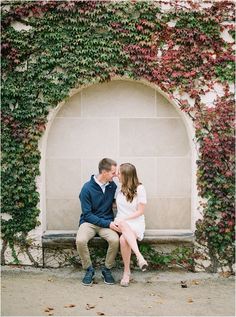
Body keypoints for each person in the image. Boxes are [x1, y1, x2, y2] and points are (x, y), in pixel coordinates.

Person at [76, 158, 120, 286]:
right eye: (113, 173)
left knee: (115, 240)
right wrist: (109, 224)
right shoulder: (87, 188)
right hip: (89, 223)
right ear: (104, 172)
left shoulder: (113, 186)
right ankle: (89, 269)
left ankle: (107, 269)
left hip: (106, 223)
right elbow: (87, 214)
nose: (115, 175)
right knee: (80, 240)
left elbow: (121, 201)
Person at [114, 163, 148, 287]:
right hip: (121, 221)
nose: (116, 175)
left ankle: (127, 272)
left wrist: (124, 219)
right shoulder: (119, 189)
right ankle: (140, 257)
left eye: (119, 173)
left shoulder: (140, 189)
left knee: (123, 240)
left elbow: (140, 211)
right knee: (122, 225)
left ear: (126, 175)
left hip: (135, 221)